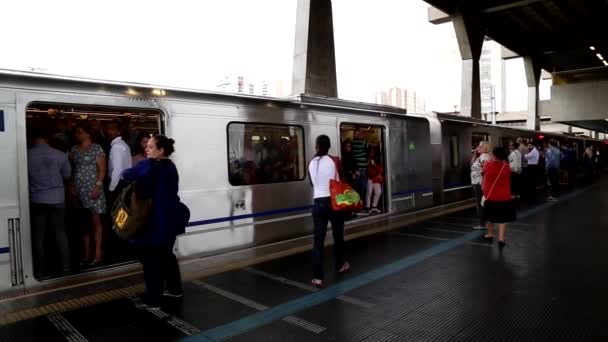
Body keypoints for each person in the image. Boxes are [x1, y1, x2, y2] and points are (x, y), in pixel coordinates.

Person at [122, 135, 183, 309]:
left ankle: (153, 299)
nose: (146, 149)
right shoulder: (170, 166)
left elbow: (129, 177)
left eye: (150, 147)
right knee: (167, 256)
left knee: (151, 261)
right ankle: (174, 289)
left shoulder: (150, 166)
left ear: (161, 150)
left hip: (154, 221)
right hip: (169, 219)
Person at [28, 129, 72, 277]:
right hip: (57, 198)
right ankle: (65, 267)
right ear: (47, 139)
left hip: (37, 199)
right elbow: (67, 175)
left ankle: (39, 270)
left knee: (39, 235)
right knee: (60, 233)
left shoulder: (26, 155)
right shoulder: (60, 155)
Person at [308, 135, 350, 288]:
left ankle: (318, 277)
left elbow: (312, 183)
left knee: (318, 241)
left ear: (317, 146)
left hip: (318, 203)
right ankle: (340, 265)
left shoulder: (311, 163)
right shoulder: (335, 160)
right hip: (333, 202)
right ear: (329, 146)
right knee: (338, 236)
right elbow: (341, 180)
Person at [70, 124, 107, 267]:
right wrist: (71, 186)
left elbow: (102, 170)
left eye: (80, 132)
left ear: (88, 134)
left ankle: (97, 253)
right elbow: (72, 169)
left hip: (93, 189)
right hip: (79, 189)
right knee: (83, 223)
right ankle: (86, 254)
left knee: (95, 222)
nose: (77, 134)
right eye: (76, 132)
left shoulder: (96, 148)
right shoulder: (74, 149)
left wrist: (97, 186)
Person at [482, 147, 516, 248]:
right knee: (502, 218)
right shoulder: (506, 166)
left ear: (495, 155)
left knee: (490, 217)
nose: (490, 155)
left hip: (491, 196)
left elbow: (484, 175)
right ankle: (501, 239)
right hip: (504, 196)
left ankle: (490, 234)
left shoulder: (487, 165)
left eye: (492, 154)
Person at [107, 122, 132, 195]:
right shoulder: (123, 144)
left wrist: (111, 188)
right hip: (123, 181)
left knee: (116, 205)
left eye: (112, 129)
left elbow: (117, 169)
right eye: (108, 129)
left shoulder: (116, 147)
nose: (109, 131)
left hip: (117, 183)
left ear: (119, 132)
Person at [470, 141, 491, 230]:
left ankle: (482, 224)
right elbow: (472, 163)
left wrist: (483, 182)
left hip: (479, 183)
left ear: (485, 148)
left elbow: (486, 169)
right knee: (481, 203)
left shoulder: (484, 156)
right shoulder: (481, 156)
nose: (478, 148)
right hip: (478, 182)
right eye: (478, 146)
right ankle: (483, 223)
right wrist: (475, 153)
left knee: (480, 203)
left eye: (480, 147)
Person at [351, 129, 369, 205]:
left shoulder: (351, 143)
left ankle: (356, 203)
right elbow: (368, 150)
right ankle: (359, 204)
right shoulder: (364, 142)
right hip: (362, 169)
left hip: (355, 169)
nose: (362, 135)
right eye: (361, 134)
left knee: (356, 187)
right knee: (362, 187)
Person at [364, 149, 383, 214]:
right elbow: (365, 166)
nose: (372, 153)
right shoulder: (366, 158)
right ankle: (368, 207)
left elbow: (379, 168)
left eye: (372, 152)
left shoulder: (377, 159)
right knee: (369, 192)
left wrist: (374, 165)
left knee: (378, 192)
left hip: (376, 177)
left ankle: (374, 206)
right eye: (370, 152)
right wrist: (369, 161)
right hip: (369, 177)